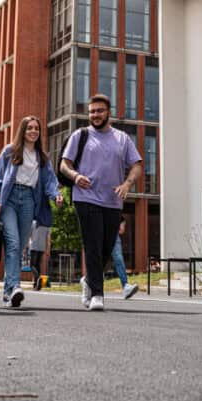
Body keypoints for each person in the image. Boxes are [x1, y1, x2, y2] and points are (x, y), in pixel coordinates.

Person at [60, 94, 143, 311]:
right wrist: (76, 176)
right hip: (85, 198)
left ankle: (88, 281)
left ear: (109, 112)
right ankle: (97, 294)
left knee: (106, 248)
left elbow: (136, 166)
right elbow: (64, 165)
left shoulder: (122, 138)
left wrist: (127, 184)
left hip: (113, 201)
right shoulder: (81, 135)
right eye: (92, 111)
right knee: (93, 245)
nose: (95, 115)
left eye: (99, 111)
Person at [0, 115, 62, 308]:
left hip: (30, 200)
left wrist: (56, 194)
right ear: (23, 130)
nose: (33, 131)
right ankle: (15, 286)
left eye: (36, 128)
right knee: (13, 244)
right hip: (10, 199)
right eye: (29, 128)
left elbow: (49, 180)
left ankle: (8, 294)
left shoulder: (42, 157)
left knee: (20, 246)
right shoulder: (10, 151)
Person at [111, 218, 139, 300]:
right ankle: (89, 282)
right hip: (101, 230)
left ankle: (126, 286)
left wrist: (121, 221)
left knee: (118, 258)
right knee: (99, 259)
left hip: (112, 232)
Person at [28, 220, 50, 291]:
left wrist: (26, 245)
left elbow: (29, 234)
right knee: (37, 265)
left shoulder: (33, 223)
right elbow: (48, 238)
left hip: (33, 246)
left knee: (32, 265)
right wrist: (47, 249)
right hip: (42, 247)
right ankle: (37, 285)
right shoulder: (47, 224)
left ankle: (38, 278)